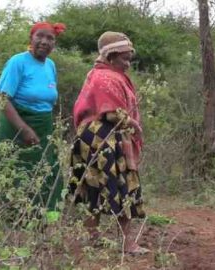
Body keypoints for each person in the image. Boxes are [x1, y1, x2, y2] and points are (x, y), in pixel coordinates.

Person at [70, 31, 148, 255]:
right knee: (107, 185)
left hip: (109, 137)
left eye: (129, 59)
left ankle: (120, 241)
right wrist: (135, 125)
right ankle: (108, 240)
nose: (127, 64)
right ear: (111, 56)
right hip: (100, 139)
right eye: (124, 59)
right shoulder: (103, 77)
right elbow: (112, 112)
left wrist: (131, 125)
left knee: (116, 185)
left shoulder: (110, 75)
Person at [0, 22, 66, 213]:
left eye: (50, 38)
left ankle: (41, 218)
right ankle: (11, 218)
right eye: (40, 36)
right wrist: (24, 129)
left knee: (47, 169)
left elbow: (49, 99)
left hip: (43, 126)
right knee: (15, 170)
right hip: (16, 126)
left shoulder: (50, 65)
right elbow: (1, 98)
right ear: (31, 39)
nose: (44, 41)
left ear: (54, 43)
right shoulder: (18, 62)